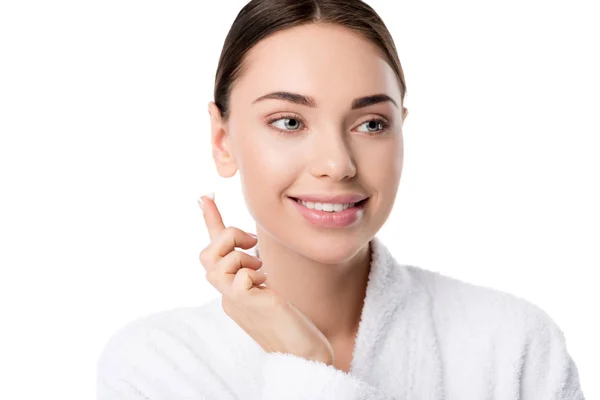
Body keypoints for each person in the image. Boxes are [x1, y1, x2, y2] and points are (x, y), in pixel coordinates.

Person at [97, 0, 585, 399]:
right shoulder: (155, 367)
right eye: (289, 121)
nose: (337, 163)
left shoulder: (514, 347)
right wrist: (305, 367)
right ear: (223, 139)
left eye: (371, 123)